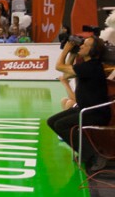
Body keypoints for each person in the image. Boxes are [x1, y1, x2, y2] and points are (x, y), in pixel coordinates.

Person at [47, 36, 111, 174]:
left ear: (92, 51)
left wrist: (65, 50)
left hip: (95, 113)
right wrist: (73, 54)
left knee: (61, 125)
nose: (81, 46)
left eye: (85, 45)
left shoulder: (91, 67)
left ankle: (94, 156)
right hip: (85, 110)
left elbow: (58, 67)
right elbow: (65, 75)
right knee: (52, 121)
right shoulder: (86, 66)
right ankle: (84, 152)